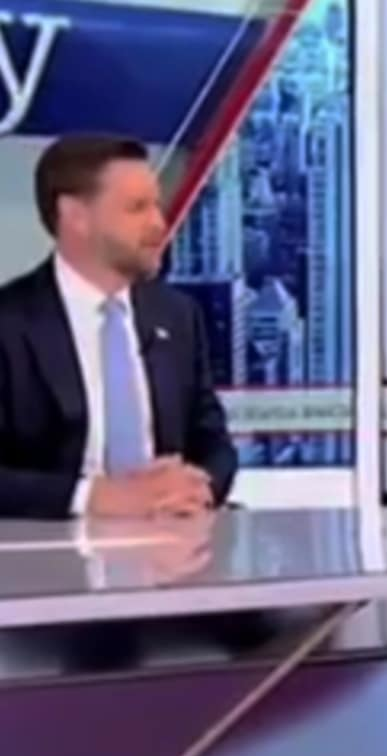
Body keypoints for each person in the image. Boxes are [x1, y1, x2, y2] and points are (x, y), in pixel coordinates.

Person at [0, 134, 237, 519]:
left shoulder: (177, 316)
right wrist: (94, 498)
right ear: (76, 216)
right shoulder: (10, 323)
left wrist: (199, 487)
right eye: (137, 208)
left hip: (170, 540)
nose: (158, 223)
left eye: (156, 205)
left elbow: (213, 442)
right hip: (47, 547)